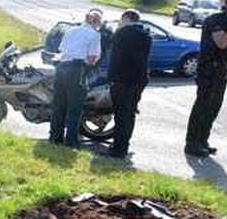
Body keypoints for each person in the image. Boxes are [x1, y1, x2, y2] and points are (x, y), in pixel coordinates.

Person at [184, 0, 227, 156]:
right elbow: (221, 43)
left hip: (221, 67)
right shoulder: (217, 19)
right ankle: (192, 143)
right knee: (203, 105)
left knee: (214, 106)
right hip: (209, 68)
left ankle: (203, 140)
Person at [50, 9, 103, 148]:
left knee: (59, 105)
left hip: (61, 68)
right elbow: (92, 59)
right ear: (97, 22)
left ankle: (55, 138)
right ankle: (71, 141)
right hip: (76, 70)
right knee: (75, 107)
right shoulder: (94, 34)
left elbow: (61, 50)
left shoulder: (71, 30)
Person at [106, 9, 152, 158]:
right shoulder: (146, 34)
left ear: (126, 18)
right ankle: (123, 144)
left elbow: (114, 53)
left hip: (122, 79)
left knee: (121, 115)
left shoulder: (122, 33)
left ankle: (118, 149)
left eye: (121, 19)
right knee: (130, 114)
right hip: (139, 79)